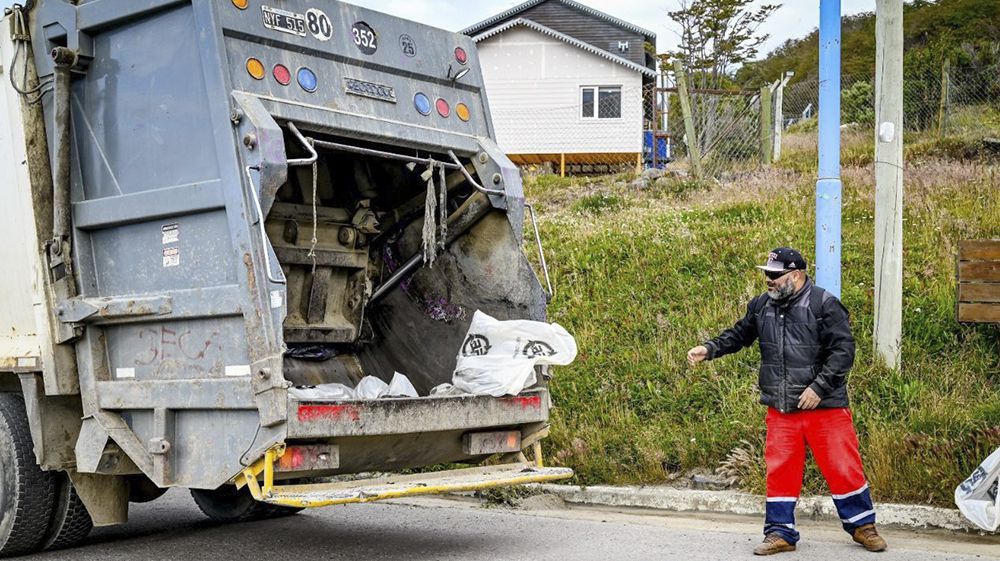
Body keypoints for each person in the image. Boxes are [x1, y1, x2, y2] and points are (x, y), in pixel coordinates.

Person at [686, 248, 887, 555]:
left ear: (796, 275)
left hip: (825, 407)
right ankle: (780, 533)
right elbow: (741, 333)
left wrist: (819, 388)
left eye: (775, 275)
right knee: (780, 471)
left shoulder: (824, 304)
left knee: (843, 466)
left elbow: (843, 351)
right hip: (781, 408)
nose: (769, 280)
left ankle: (863, 526)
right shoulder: (761, 305)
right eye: (766, 274)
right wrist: (710, 348)